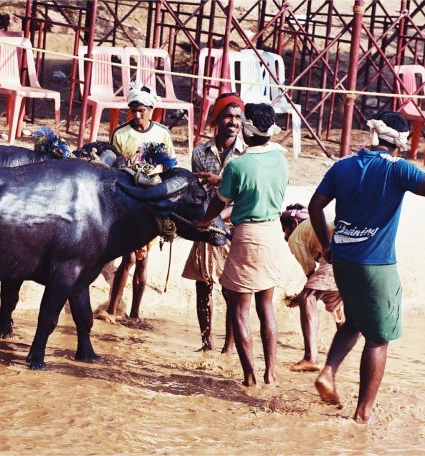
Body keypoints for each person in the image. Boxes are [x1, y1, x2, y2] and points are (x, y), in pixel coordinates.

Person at [309, 111, 425, 424]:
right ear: (399, 143)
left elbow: (315, 206)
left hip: (342, 260)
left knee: (355, 321)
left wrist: (326, 245)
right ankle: (363, 414)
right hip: (376, 266)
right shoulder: (395, 169)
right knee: (378, 338)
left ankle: (328, 372)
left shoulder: (343, 165)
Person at [196, 103, 289, 386]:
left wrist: (203, 222)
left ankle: (249, 377)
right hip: (274, 233)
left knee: (240, 308)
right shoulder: (281, 159)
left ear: (246, 130)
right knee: (266, 306)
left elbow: (218, 202)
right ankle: (270, 374)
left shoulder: (238, 165)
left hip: (247, 234)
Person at [105, 82, 176, 320]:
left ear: (150, 109)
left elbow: (169, 168)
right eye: (133, 110)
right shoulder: (121, 133)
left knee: (142, 260)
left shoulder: (162, 133)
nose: (137, 115)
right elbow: (112, 166)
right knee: (129, 257)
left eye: (141, 110)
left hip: (151, 200)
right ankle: (113, 310)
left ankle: (134, 312)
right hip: (127, 199)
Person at [182, 93, 245, 352]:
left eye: (237, 117)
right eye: (227, 116)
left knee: (230, 289)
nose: (232, 122)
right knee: (203, 284)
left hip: (232, 226)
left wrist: (217, 217)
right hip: (206, 224)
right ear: (217, 120)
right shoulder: (200, 152)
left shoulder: (246, 154)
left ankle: (229, 346)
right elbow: (198, 192)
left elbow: (246, 196)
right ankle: (206, 342)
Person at [280, 203, 344, 372]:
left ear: (293, 224)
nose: (284, 235)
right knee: (336, 304)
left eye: (284, 229)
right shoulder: (313, 230)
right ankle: (344, 352)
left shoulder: (295, 237)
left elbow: (311, 275)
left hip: (338, 257)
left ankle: (311, 358)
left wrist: (298, 298)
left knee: (307, 298)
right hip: (357, 254)